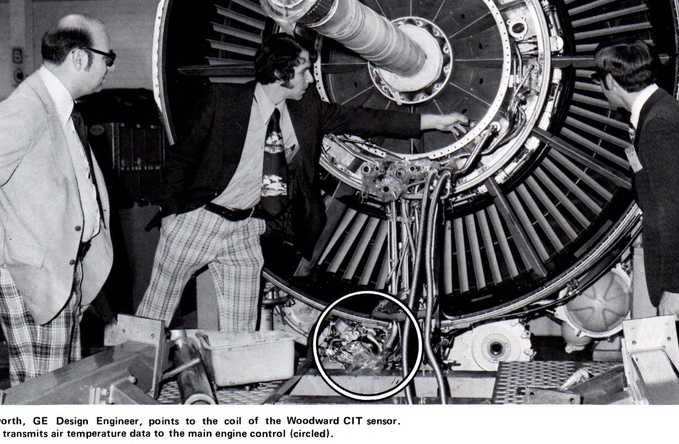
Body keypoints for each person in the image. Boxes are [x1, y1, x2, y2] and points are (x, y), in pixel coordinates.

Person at [137, 33, 468, 332]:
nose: (311, 78)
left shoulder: (305, 108)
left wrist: (434, 121)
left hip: (245, 229)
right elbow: (181, 159)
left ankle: (233, 390)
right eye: (305, 70)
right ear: (281, 75)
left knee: (240, 327)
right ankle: (133, 385)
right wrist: (171, 215)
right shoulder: (222, 101)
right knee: (157, 313)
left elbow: (364, 119)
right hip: (199, 219)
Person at [0, 14, 116, 386]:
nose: (109, 66)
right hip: (33, 272)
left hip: (58, 269)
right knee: (43, 394)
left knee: (60, 386)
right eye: (107, 57)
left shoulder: (57, 107)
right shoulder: (29, 108)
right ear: (79, 58)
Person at [594, 39, 679, 400]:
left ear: (611, 81)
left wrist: (674, 288)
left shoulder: (659, 127)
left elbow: (678, 214)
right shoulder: (669, 112)